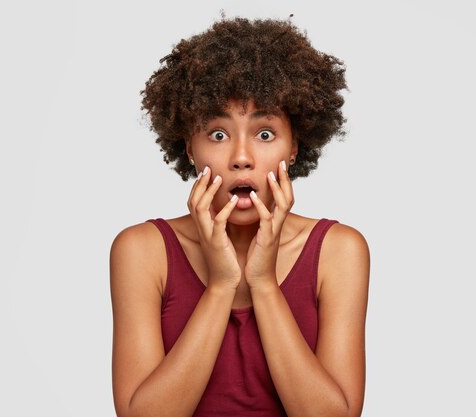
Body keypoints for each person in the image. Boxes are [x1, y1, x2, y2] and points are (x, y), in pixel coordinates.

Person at [110, 16, 370, 417]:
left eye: (265, 133)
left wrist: (263, 283)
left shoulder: (338, 251)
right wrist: (222, 285)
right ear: (190, 147)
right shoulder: (143, 251)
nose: (242, 157)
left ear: (294, 146)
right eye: (218, 133)